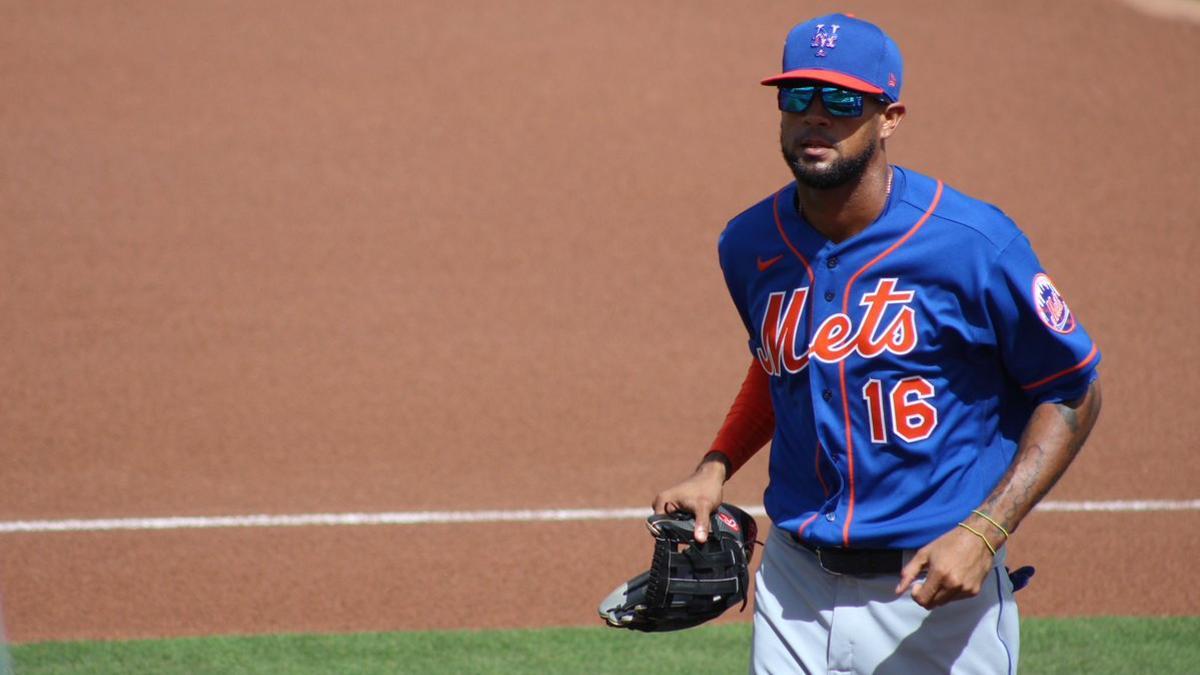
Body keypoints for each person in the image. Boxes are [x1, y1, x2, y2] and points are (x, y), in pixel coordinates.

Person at [651, 13, 1102, 674]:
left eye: (841, 101)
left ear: (888, 116)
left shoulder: (973, 245)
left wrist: (985, 532)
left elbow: (1071, 390)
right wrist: (717, 463)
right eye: (797, 97)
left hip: (935, 591)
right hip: (793, 587)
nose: (815, 117)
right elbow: (788, 363)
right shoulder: (748, 245)